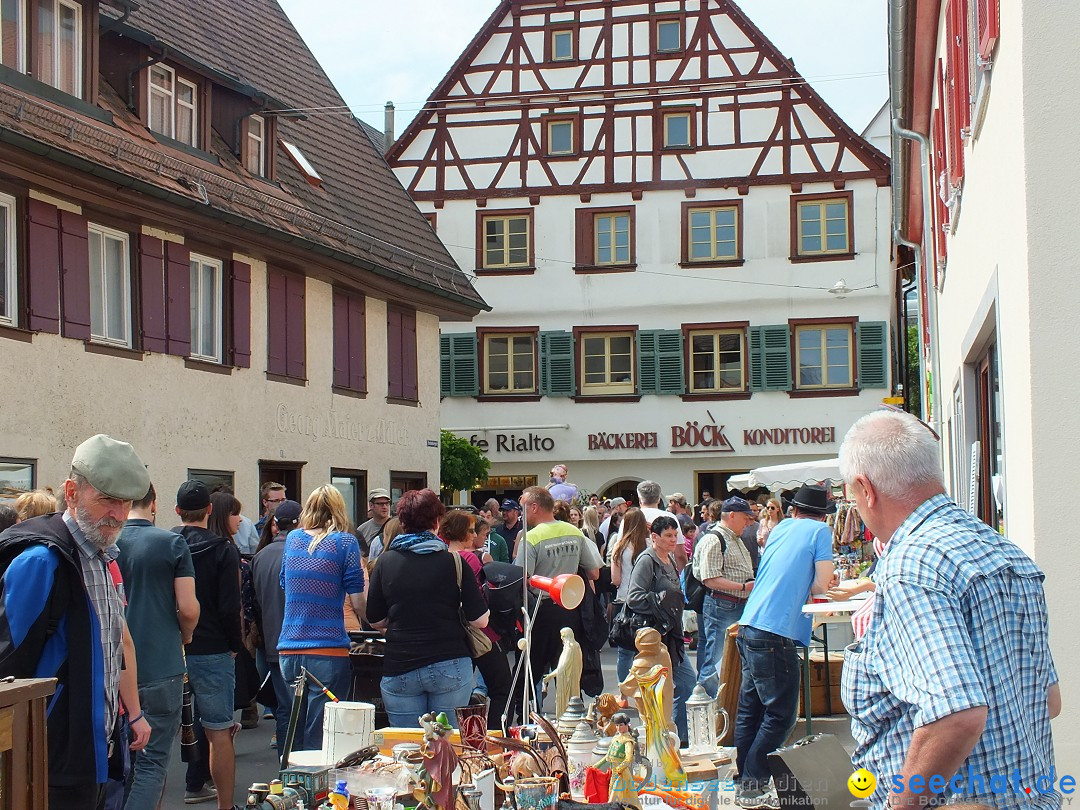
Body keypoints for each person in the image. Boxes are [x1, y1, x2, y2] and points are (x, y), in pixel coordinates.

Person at [839, 410, 1059, 809]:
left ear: (866, 489)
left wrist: (901, 806)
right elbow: (1048, 699)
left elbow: (957, 714)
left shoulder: (911, 567)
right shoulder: (1005, 550)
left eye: (852, 498)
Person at [0, 435, 152, 810]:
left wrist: (131, 714)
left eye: (125, 502)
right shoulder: (41, 561)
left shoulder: (103, 556)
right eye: (106, 499)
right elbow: (8, 664)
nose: (117, 513)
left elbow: (114, 649)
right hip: (49, 760)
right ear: (71, 492)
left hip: (97, 752)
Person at [733, 484, 834, 808]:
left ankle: (744, 781)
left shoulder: (780, 528)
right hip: (775, 632)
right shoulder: (820, 531)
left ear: (793, 509)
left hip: (750, 624)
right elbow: (821, 583)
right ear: (822, 515)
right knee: (781, 714)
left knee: (752, 710)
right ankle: (753, 782)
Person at [367, 489, 489, 725]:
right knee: (447, 746)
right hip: (450, 661)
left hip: (400, 664)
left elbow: (375, 619)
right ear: (436, 522)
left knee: (407, 747)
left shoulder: (385, 562)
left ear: (401, 522)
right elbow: (480, 620)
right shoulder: (454, 562)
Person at [116, 484, 200, 810]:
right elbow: (189, 608)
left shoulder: (108, 542)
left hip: (116, 666)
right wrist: (185, 635)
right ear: (154, 503)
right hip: (161, 663)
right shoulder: (172, 543)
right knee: (151, 764)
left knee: (120, 766)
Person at [279, 485, 364, 752]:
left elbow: (285, 583)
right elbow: (358, 601)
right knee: (321, 735)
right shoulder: (345, 542)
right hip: (327, 649)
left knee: (294, 729)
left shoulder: (293, 539)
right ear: (340, 510)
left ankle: (289, 788)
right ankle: (316, 792)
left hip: (289, 651)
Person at [175, 480, 242, 809]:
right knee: (219, 731)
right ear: (210, 509)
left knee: (161, 731)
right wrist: (235, 644)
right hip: (214, 648)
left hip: (176, 648)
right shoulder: (223, 549)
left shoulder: (170, 544)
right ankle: (226, 806)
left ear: (177, 511)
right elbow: (231, 606)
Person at [515, 486, 602, 705]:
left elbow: (522, 578)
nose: (521, 513)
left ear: (534, 507)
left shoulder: (531, 537)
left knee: (530, 671)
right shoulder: (574, 532)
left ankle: (529, 719)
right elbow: (593, 572)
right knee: (568, 669)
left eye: (523, 508)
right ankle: (573, 719)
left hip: (540, 611)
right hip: (571, 608)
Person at [625, 515, 696, 745]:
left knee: (684, 683)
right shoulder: (647, 560)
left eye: (675, 535)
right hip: (655, 638)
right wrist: (661, 600)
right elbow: (633, 598)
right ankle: (667, 738)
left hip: (671, 635)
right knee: (667, 688)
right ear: (654, 537)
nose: (673, 540)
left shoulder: (670, 559)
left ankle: (676, 737)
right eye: (668, 536)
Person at [440, 510, 511, 729]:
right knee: (502, 688)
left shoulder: (440, 557)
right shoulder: (469, 558)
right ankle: (493, 737)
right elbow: (481, 598)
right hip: (479, 632)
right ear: (460, 532)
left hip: (450, 635)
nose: (475, 535)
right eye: (471, 530)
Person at [250, 499, 301, 758]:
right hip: (301, 641)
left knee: (284, 709)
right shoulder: (301, 552)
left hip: (272, 641)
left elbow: (254, 602)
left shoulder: (260, 557)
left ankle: (286, 767)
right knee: (303, 711)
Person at [693, 498, 756, 699]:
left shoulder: (733, 538)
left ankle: (721, 705)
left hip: (733, 604)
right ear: (732, 516)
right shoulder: (715, 539)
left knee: (726, 660)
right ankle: (710, 706)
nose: (748, 523)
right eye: (745, 518)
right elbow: (710, 579)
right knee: (716, 661)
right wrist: (744, 587)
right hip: (723, 605)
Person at [608, 508, 649, 680]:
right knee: (646, 649)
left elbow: (615, 579)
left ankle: (624, 691)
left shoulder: (619, 546)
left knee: (624, 652)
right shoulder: (649, 544)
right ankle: (645, 688)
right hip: (646, 601)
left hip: (624, 599)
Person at [635, 482, 686, 569]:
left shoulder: (629, 519)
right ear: (659, 499)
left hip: (632, 574)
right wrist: (684, 577)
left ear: (640, 499)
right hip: (662, 572)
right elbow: (680, 554)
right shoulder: (669, 517)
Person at [357, 487, 393, 560]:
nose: (385, 507)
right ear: (371, 505)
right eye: (380, 504)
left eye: (387, 503)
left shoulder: (395, 526)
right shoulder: (362, 529)